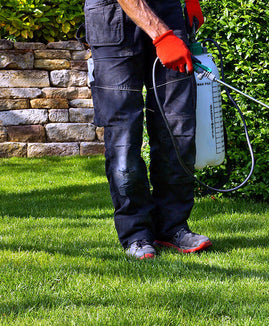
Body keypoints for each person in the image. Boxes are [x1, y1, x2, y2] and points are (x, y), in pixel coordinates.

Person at [84, 0, 212, 259]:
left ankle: (173, 227)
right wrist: (161, 34)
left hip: (169, 16)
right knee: (123, 137)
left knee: (178, 128)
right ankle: (136, 234)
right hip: (112, 20)